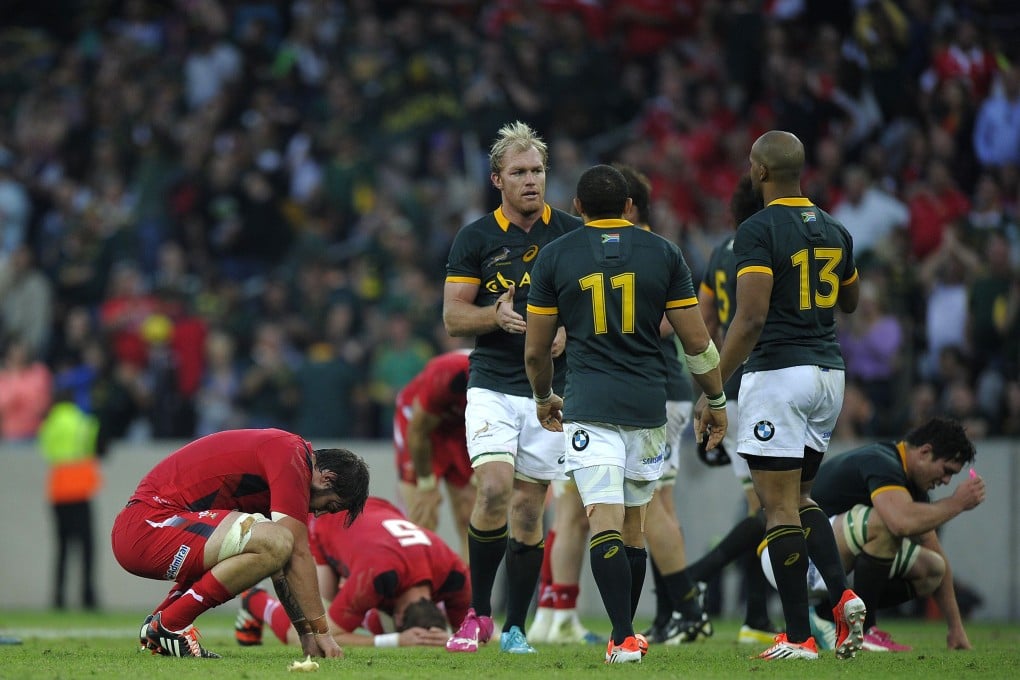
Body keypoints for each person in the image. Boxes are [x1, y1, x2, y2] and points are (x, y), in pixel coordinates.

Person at [524, 164, 728, 664]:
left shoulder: (556, 255)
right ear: (629, 207)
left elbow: (535, 352)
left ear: (577, 208)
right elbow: (697, 341)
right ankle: (626, 635)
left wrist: (543, 395)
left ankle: (621, 635)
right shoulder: (664, 253)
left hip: (589, 405)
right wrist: (717, 399)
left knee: (604, 522)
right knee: (634, 525)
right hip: (649, 405)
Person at [694, 130, 864, 661]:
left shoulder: (758, 229)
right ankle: (842, 597)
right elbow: (851, 300)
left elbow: (749, 318)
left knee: (776, 509)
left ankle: (797, 636)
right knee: (801, 498)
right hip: (829, 375)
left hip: (779, 374)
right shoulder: (835, 228)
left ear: (759, 172)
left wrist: (714, 387)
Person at [443, 121, 581, 654]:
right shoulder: (475, 237)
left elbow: (593, 308)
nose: (531, 181)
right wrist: (492, 317)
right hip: (494, 384)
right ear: (497, 179)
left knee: (529, 508)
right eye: (520, 172)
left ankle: (516, 625)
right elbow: (454, 318)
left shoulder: (570, 232)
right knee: (495, 489)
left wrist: (569, 330)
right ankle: (478, 615)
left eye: (538, 171)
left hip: (551, 390)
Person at [111, 428, 369, 659]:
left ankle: (161, 623)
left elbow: (283, 564)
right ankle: (171, 624)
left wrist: (305, 634)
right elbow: (298, 552)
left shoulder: (285, 463)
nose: (320, 514)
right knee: (277, 540)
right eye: (331, 506)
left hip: (149, 528)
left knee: (275, 543)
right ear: (327, 478)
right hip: (147, 526)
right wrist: (323, 632)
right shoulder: (291, 455)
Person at [762, 416, 985, 652]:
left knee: (933, 568)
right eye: (946, 470)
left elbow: (936, 553)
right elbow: (900, 522)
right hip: (791, 558)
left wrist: (956, 628)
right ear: (925, 452)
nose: (946, 480)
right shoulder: (882, 462)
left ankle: (824, 615)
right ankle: (865, 630)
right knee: (884, 523)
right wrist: (956, 504)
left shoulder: (909, 485)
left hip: (825, 565)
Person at [615, 163, 714, 646]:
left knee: (649, 505)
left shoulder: (652, 252)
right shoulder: (649, 250)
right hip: (658, 388)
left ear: (626, 206)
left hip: (656, 389)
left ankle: (690, 609)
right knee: (658, 505)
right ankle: (670, 613)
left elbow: (671, 324)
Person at [683, 175, 777, 646]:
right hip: (761, 385)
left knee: (761, 504)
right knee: (769, 507)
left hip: (729, 390)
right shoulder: (769, 244)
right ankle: (753, 614)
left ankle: (753, 613)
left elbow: (703, 325)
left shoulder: (721, 252)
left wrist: (706, 387)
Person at [234, 497, 469, 648]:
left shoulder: (456, 573)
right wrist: (395, 641)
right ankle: (254, 600)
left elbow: (473, 630)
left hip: (376, 511)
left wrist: (450, 638)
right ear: (398, 619)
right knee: (306, 633)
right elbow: (318, 637)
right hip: (326, 520)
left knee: (350, 611)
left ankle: (352, 605)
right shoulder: (377, 577)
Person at [395, 349, 475, 562]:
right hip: (420, 422)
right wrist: (426, 483)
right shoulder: (447, 373)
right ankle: (417, 587)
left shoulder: (513, 382)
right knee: (422, 514)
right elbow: (419, 432)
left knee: (471, 514)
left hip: (461, 429)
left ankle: (469, 592)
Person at [38, 386, 105, 610]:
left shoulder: (49, 424)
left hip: (57, 491)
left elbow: (47, 451)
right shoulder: (82, 421)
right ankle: (88, 596)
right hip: (79, 490)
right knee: (87, 546)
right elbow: (97, 448)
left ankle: (58, 597)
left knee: (62, 547)